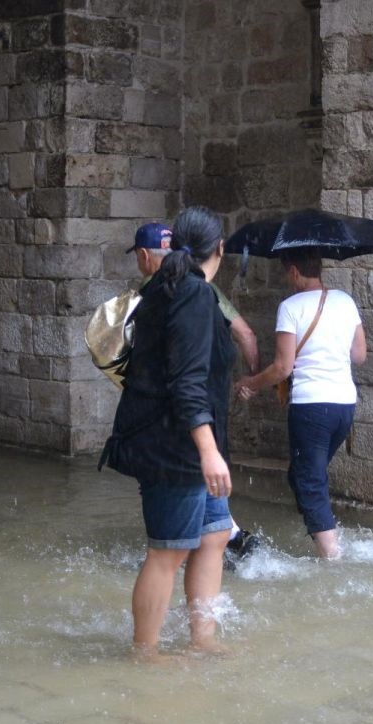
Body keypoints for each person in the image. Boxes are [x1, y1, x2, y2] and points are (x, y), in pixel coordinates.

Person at [101, 207, 235, 660]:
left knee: (214, 536)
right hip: (175, 445)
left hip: (191, 441)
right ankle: (145, 652)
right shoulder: (191, 294)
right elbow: (186, 382)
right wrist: (209, 450)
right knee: (167, 552)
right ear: (220, 248)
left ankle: (203, 639)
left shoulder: (176, 287)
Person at [128, 221, 262, 564]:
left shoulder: (151, 293)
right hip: (196, 422)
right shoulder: (201, 292)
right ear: (217, 248)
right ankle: (230, 536)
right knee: (177, 547)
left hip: (166, 428)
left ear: (144, 256)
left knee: (175, 546)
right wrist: (251, 380)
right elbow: (245, 335)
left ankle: (228, 536)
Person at [236, 250, 366, 559]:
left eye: (286, 273)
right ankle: (321, 529)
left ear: (294, 271)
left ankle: (332, 558)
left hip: (311, 407)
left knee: (309, 481)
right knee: (302, 474)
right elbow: (359, 355)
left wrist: (249, 384)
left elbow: (283, 367)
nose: (286, 279)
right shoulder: (345, 301)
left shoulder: (290, 306)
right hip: (344, 405)